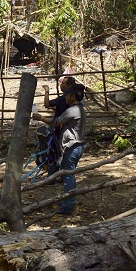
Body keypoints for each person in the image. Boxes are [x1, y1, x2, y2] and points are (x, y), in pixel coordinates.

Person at [33, 83, 86, 215]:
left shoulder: (72, 110)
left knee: (68, 176)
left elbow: (56, 123)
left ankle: (68, 206)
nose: (65, 98)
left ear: (73, 97)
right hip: (75, 146)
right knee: (68, 175)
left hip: (72, 147)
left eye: (67, 95)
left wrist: (40, 118)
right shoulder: (78, 109)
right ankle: (68, 202)